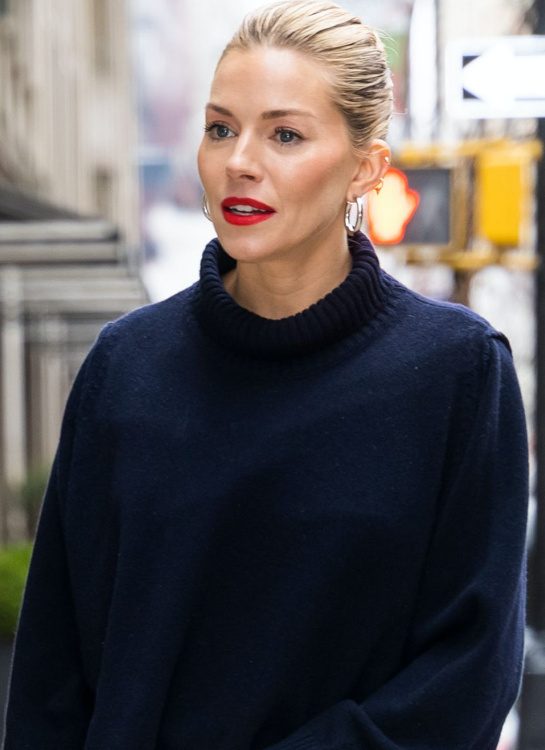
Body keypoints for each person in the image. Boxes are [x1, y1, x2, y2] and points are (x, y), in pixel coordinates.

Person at [3, 1, 528, 748]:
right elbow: (52, 672)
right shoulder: (125, 368)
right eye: (220, 128)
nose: (239, 161)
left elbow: (467, 675)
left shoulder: (456, 372)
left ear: (365, 168)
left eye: (285, 134)